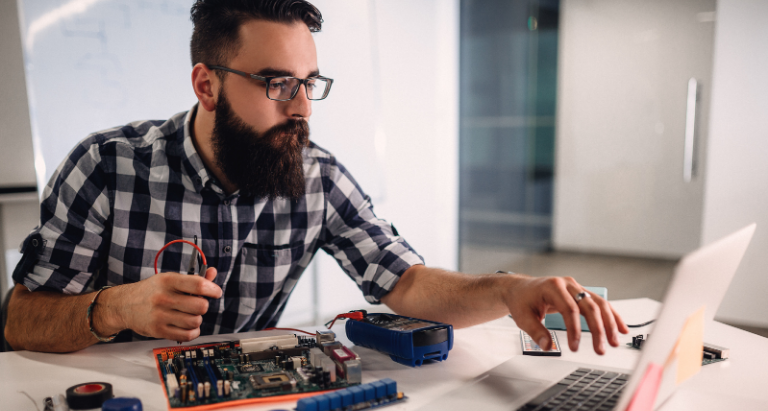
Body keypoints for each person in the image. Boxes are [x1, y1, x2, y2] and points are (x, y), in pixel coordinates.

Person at [4, 0, 628, 354]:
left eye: (309, 83)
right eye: (277, 83)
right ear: (206, 84)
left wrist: (507, 290)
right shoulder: (108, 167)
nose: (300, 106)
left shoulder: (316, 176)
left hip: (241, 406)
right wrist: (115, 307)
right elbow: (20, 320)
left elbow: (405, 282)